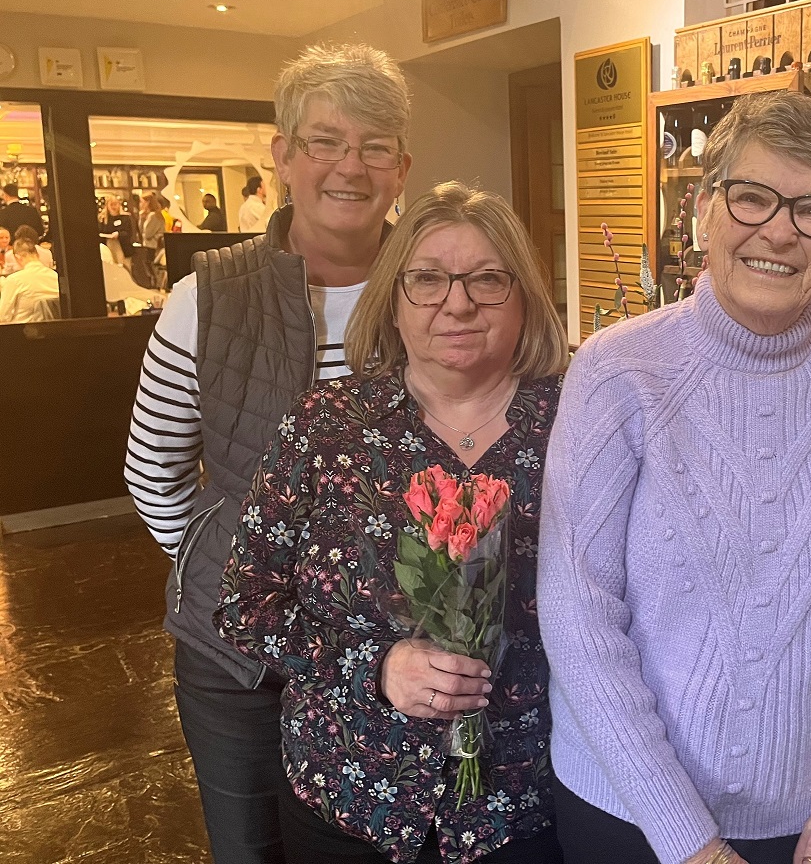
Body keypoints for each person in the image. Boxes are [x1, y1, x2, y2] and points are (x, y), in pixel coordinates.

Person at [538, 91, 811, 864]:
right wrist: (689, 841)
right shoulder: (615, 370)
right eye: (752, 196)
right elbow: (577, 615)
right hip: (628, 813)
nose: (779, 230)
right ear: (703, 210)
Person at [216, 181, 570, 864]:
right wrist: (374, 667)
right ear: (394, 298)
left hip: (526, 804)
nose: (457, 301)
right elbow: (244, 603)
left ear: (524, 294)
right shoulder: (327, 423)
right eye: (428, 278)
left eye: (488, 279)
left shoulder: (578, 421)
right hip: (351, 796)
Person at [124, 42, 414, 864]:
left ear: (402, 167)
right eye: (324, 141)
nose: (348, 166)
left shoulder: (437, 284)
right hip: (236, 658)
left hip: (394, 645)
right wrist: (234, 566)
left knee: (377, 847)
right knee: (252, 847)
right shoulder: (205, 297)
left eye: (374, 146)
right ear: (282, 154)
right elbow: (154, 473)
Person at [0, 236, 60, 322]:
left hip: (21, 332)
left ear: (18, 257)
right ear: (38, 255)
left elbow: (3, 317)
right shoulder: (55, 276)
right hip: (55, 331)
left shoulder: (14, 280)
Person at [133, 193, 166, 289]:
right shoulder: (155, 215)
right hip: (154, 246)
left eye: (142, 202)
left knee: (151, 266)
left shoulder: (153, 216)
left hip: (152, 246)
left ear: (147, 203)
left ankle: (155, 284)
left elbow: (147, 234)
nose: (140, 204)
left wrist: (142, 219)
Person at [99, 194, 138, 266]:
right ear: (107, 206)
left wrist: (118, 234)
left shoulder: (125, 217)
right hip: (108, 248)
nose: (114, 207)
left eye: (115, 204)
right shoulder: (103, 219)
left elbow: (129, 233)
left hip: (123, 248)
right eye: (111, 204)